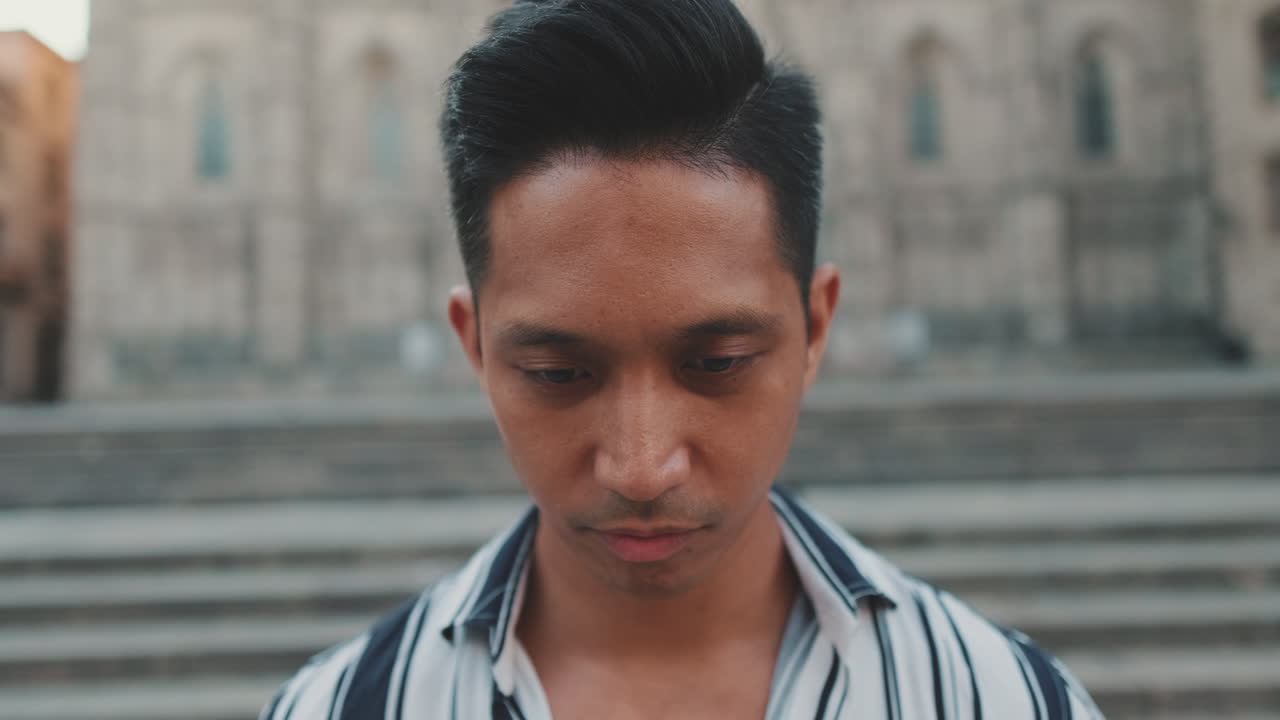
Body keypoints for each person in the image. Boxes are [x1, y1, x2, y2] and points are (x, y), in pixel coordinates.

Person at [263, 0, 1103, 717]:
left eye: (719, 362)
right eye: (560, 374)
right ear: (474, 347)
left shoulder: (1006, 700)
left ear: (815, 329)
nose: (641, 467)